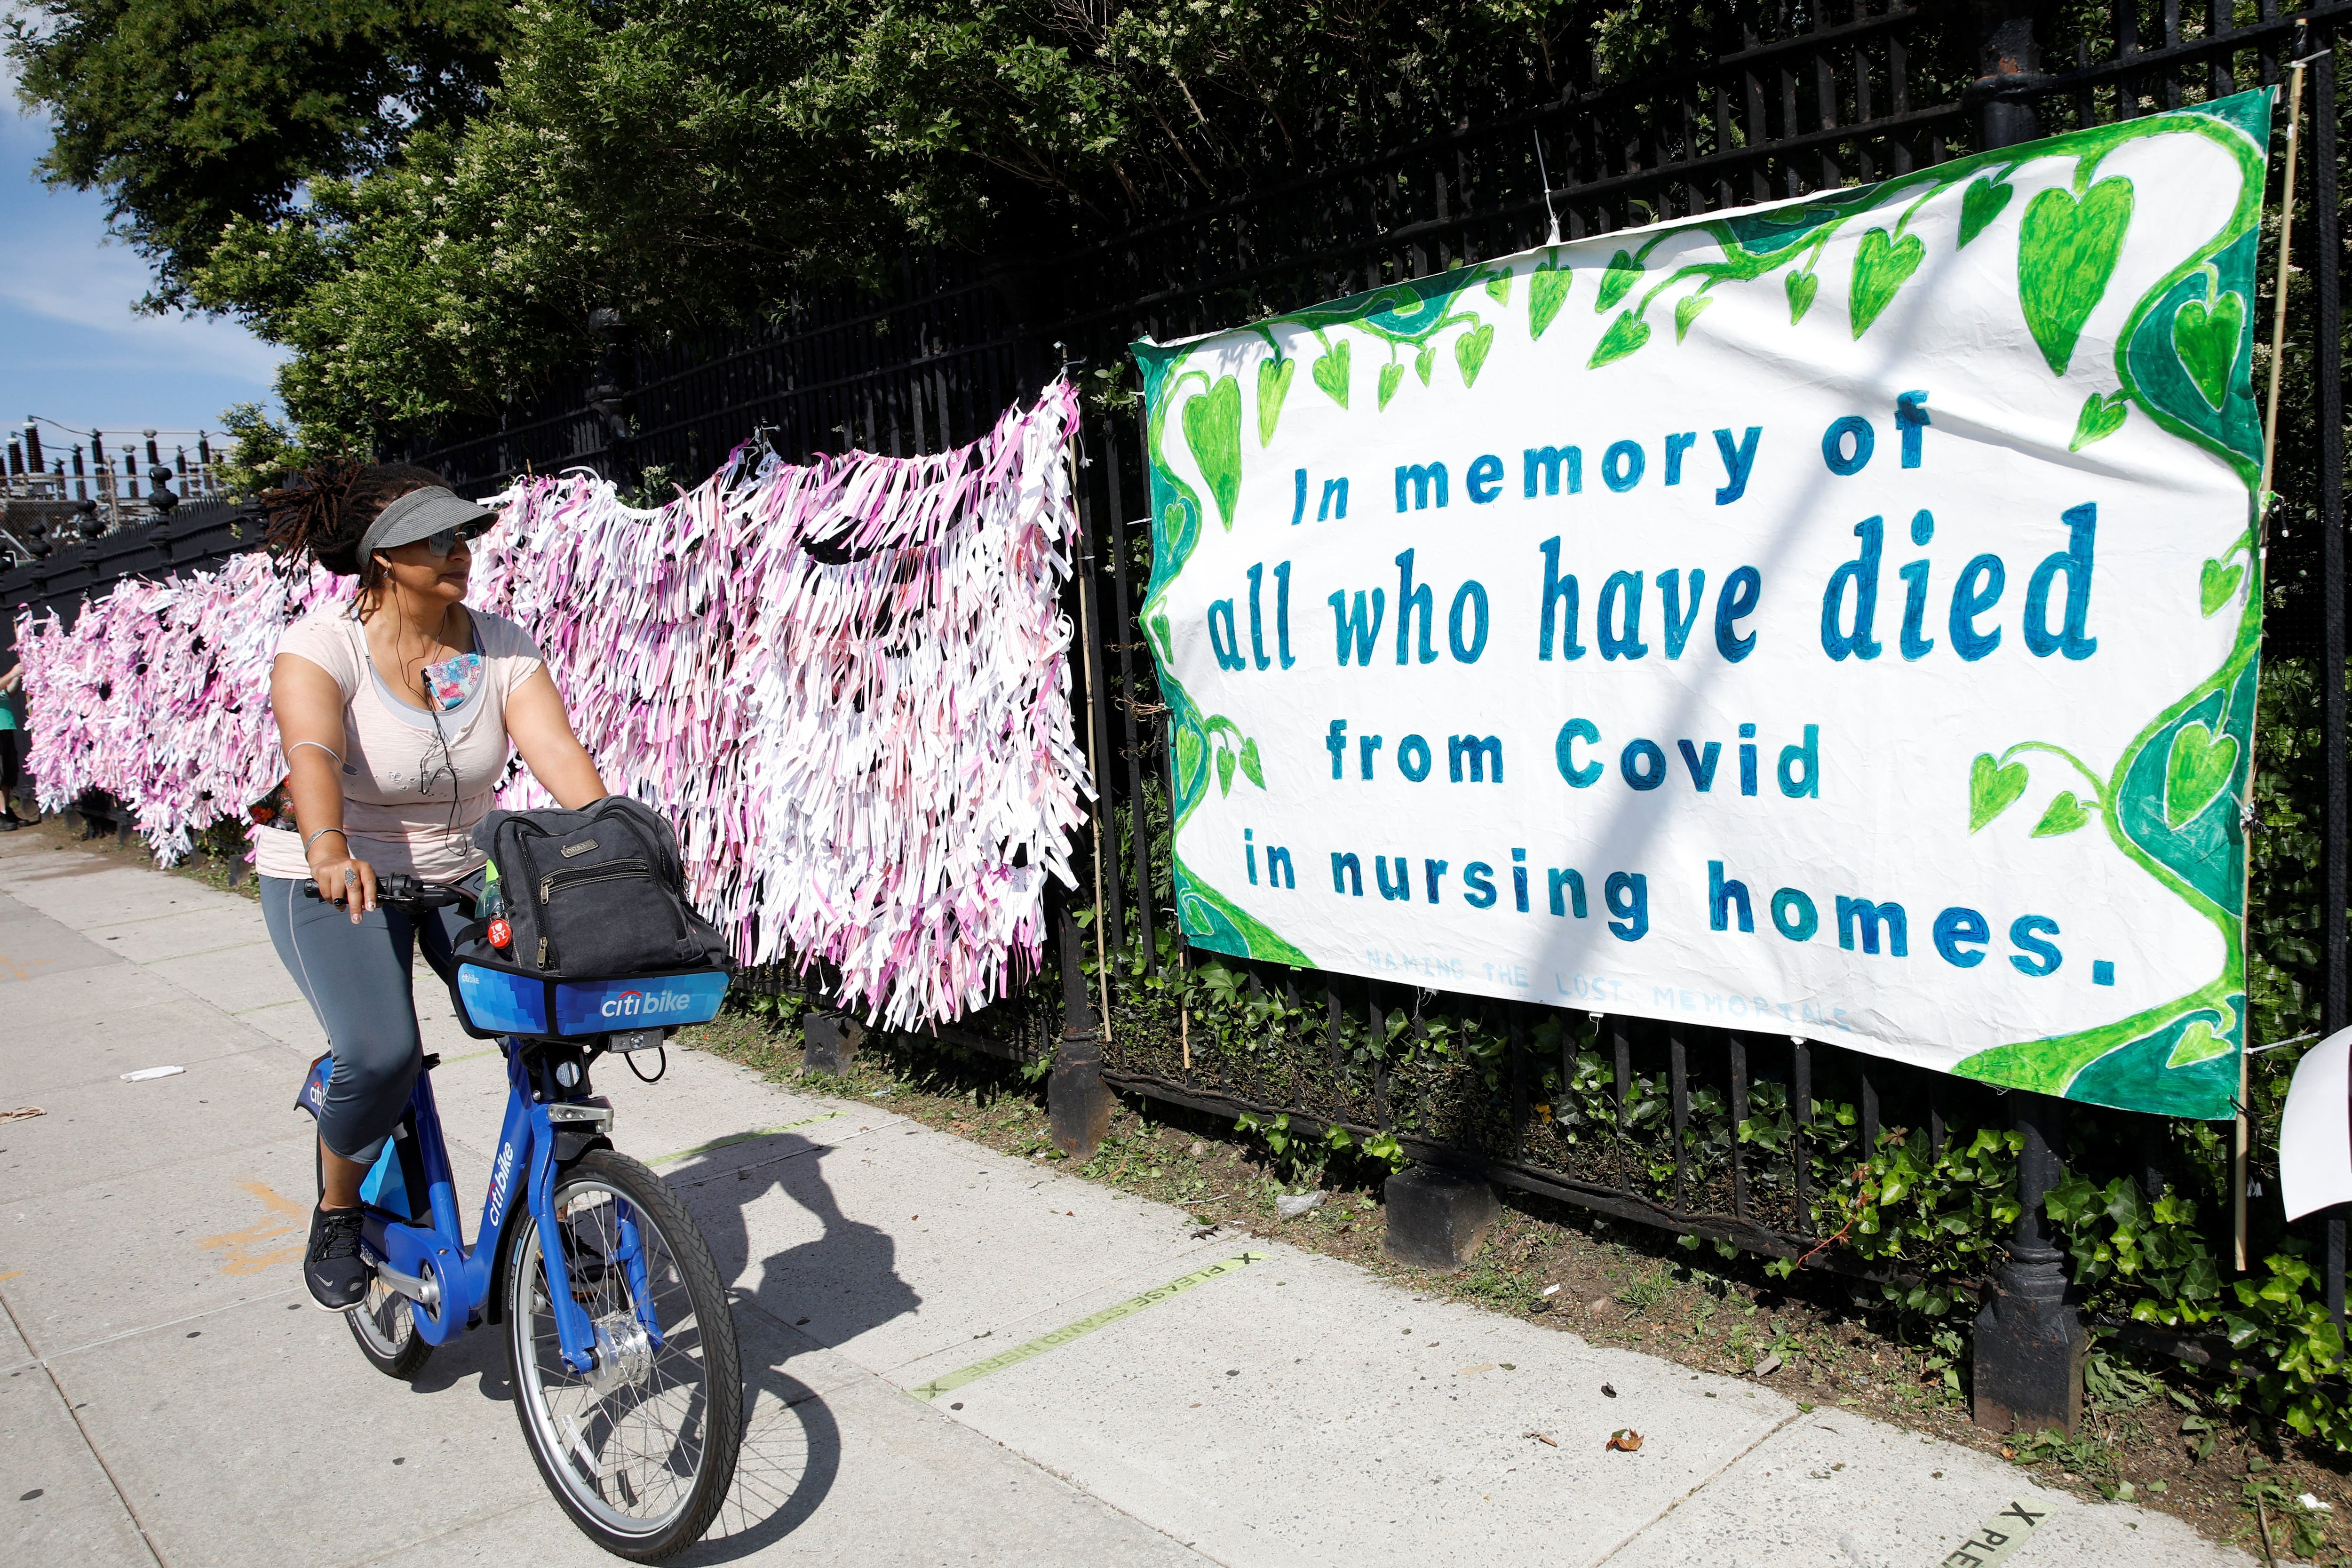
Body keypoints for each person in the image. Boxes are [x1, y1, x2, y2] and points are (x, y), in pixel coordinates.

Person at [259, 463, 609, 1310]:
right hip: (340, 875)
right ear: (383, 556)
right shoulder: (324, 644)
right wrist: (330, 844)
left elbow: (554, 751)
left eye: (465, 536)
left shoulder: (497, 643)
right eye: (439, 539)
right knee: (381, 1056)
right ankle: (339, 1208)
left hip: (463, 874)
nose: (462, 553)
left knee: (550, 1032)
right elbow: (312, 752)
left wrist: (615, 838)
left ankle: (546, 1204)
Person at [0, 657, 27, 830]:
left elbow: (8, 693)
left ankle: (5, 810)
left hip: (5, 727)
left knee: (8, 772)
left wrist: (17, 678)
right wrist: (12, 674)